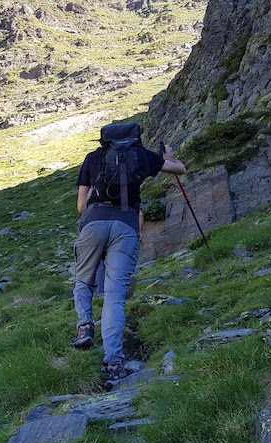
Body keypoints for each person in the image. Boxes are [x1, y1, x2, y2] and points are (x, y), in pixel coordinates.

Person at [71, 124, 186, 383]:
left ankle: (85, 326)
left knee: (84, 281)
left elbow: (80, 206)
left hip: (94, 224)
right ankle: (113, 362)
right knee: (115, 295)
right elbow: (180, 170)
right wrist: (168, 157)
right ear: (136, 138)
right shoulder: (142, 156)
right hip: (126, 226)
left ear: (105, 140)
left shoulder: (93, 158)